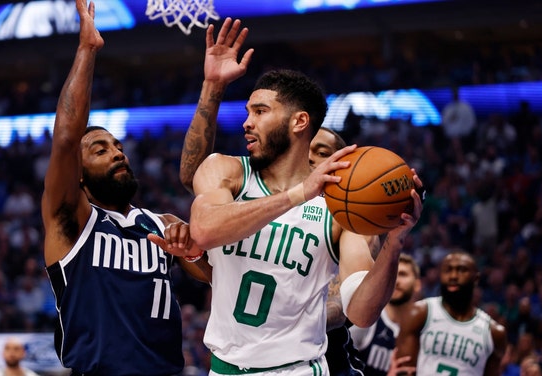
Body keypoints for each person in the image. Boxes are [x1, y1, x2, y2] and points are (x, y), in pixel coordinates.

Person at [178, 16, 424, 375]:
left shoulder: (339, 206)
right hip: (224, 368)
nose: (247, 122)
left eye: (260, 112)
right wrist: (297, 194)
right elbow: (203, 228)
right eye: (248, 111)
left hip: (298, 368)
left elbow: (361, 311)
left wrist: (394, 243)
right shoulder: (226, 171)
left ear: (298, 122)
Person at [41, 1, 204, 374]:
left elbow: (217, 277)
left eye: (118, 147)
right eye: (100, 150)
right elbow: (65, 139)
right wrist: (87, 50)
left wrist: (193, 252)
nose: (117, 154)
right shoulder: (72, 221)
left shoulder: (162, 223)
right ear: (77, 175)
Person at [395, 250, 507, 376]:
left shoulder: (494, 333)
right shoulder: (419, 313)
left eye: (461, 270)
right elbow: (403, 370)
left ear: (476, 278)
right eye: (447, 270)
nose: (453, 276)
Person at [348, 254, 421, 376]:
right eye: (393, 273)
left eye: (403, 274)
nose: (396, 280)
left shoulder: (421, 331)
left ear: (417, 285)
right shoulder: (366, 319)